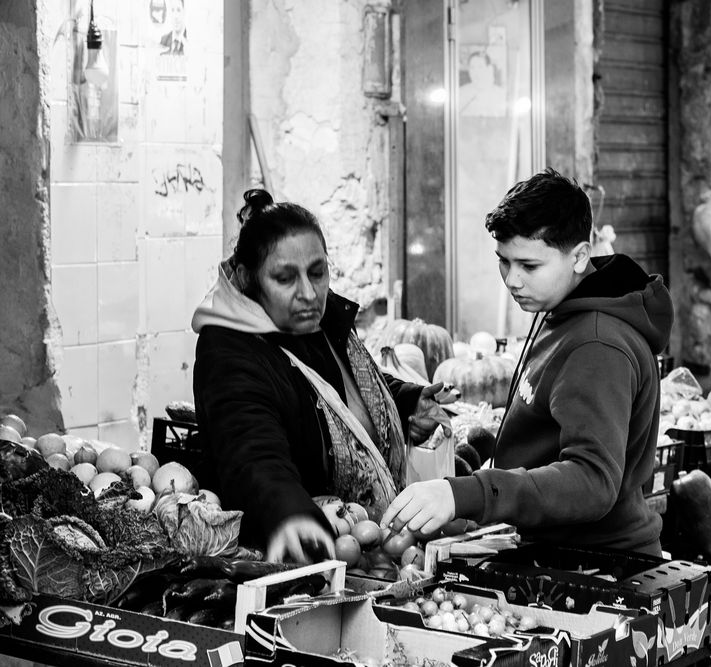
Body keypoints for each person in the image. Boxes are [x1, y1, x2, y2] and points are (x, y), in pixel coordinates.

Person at [382, 169, 673, 556]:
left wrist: (469, 493)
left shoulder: (598, 345)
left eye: (529, 266)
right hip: (558, 550)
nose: (512, 280)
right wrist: (486, 451)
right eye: (504, 261)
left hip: (599, 567)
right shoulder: (563, 309)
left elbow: (592, 480)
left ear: (580, 256)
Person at [192, 189, 451, 563]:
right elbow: (253, 459)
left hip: (365, 545)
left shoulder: (323, 322)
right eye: (285, 278)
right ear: (249, 279)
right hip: (301, 555)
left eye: (318, 272)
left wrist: (407, 401)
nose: (308, 292)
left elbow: (341, 391)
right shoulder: (229, 351)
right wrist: (295, 520)